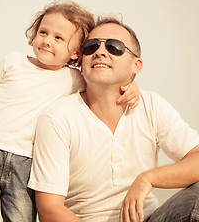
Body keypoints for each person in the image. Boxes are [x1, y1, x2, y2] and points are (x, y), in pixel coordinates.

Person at [0, 1, 140, 222]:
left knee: (21, 217)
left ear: (75, 52)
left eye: (59, 38)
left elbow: (105, 84)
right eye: (43, 32)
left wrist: (131, 85)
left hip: (27, 161)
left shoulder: (74, 78)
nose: (47, 41)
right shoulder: (13, 62)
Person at [28, 17, 199, 222]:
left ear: (136, 65)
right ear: (81, 62)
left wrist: (148, 178)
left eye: (114, 46)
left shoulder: (151, 105)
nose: (100, 52)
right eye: (91, 47)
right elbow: (49, 209)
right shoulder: (58, 117)